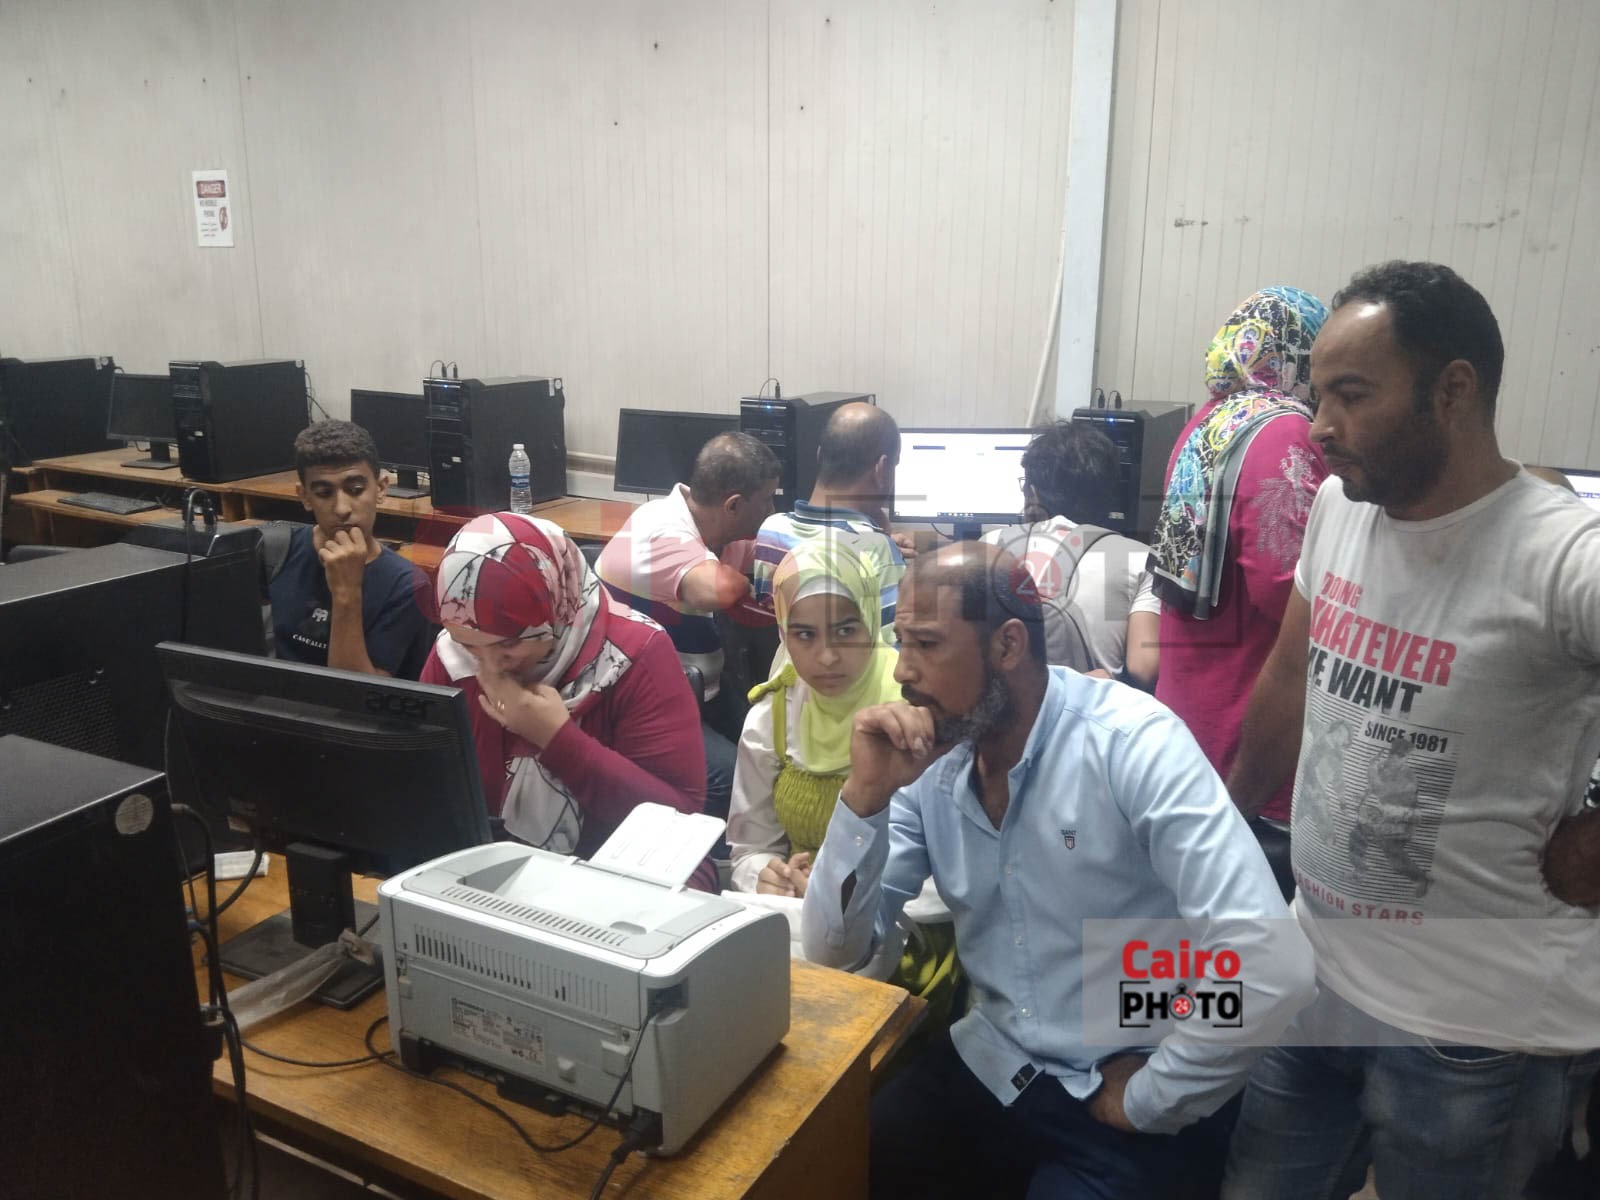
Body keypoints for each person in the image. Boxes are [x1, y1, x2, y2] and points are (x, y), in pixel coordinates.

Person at [1221, 261, 1600, 1199]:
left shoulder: (1560, 554)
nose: (1319, 424)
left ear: (1453, 391)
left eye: (1352, 395)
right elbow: (1289, 678)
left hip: (1474, 1030)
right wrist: (1223, 826)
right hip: (1317, 973)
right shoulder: (1339, 510)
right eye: (1318, 394)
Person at [800, 541, 1314, 1199]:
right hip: (998, 1057)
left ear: (1007, 645)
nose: (902, 670)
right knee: (846, 1157)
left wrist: (1154, 1096)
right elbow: (835, 953)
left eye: (926, 644)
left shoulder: (1129, 743)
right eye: (901, 642)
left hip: (1126, 1068)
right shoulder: (932, 762)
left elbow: (1272, 964)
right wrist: (864, 800)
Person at [422, 512, 715, 891]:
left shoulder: (636, 653)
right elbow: (425, 785)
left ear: (557, 609)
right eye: (470, 647)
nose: (491, 666)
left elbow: (680, 819)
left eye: (509, 644)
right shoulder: (452, 655)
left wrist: (557, 739)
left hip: (610, 873)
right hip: (486, 868)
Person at [1148, 285, 1330, 897]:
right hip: (1252, 741)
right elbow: (1291, 595)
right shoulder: (1286, 433)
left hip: (1194, 718)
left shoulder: (1208, 423)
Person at [596, 431, 780, 818]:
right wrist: (752, 585)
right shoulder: (660, 530)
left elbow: (771, 550)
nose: (771, 509)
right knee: (735, 779)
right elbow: (721, 589)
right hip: (638, 702)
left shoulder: (718, 530)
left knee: (774, 755)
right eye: (766, 500)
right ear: (733, 505)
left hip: (700, 690)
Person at [985, 420, 1160, 686]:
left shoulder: (990, 545)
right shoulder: (1141, 559)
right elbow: (1143, 668)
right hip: (1089, 705)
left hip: (1002, 705)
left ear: (1032, 492)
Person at [268, 419, 433, 678]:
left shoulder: (407, 586)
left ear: (381, 488)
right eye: (324, 493)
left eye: (355, 490)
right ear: (305, 497)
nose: (342, 509)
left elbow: (356, 696)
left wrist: (346, 592)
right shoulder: (276, 552)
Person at [750, 401, 909, 636]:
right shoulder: (878, 552)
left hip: (792, 658)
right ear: (882, 469)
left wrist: (880, 533)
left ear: (819, 455)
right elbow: (892, 645)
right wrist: (888, 550)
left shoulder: (771, 530)